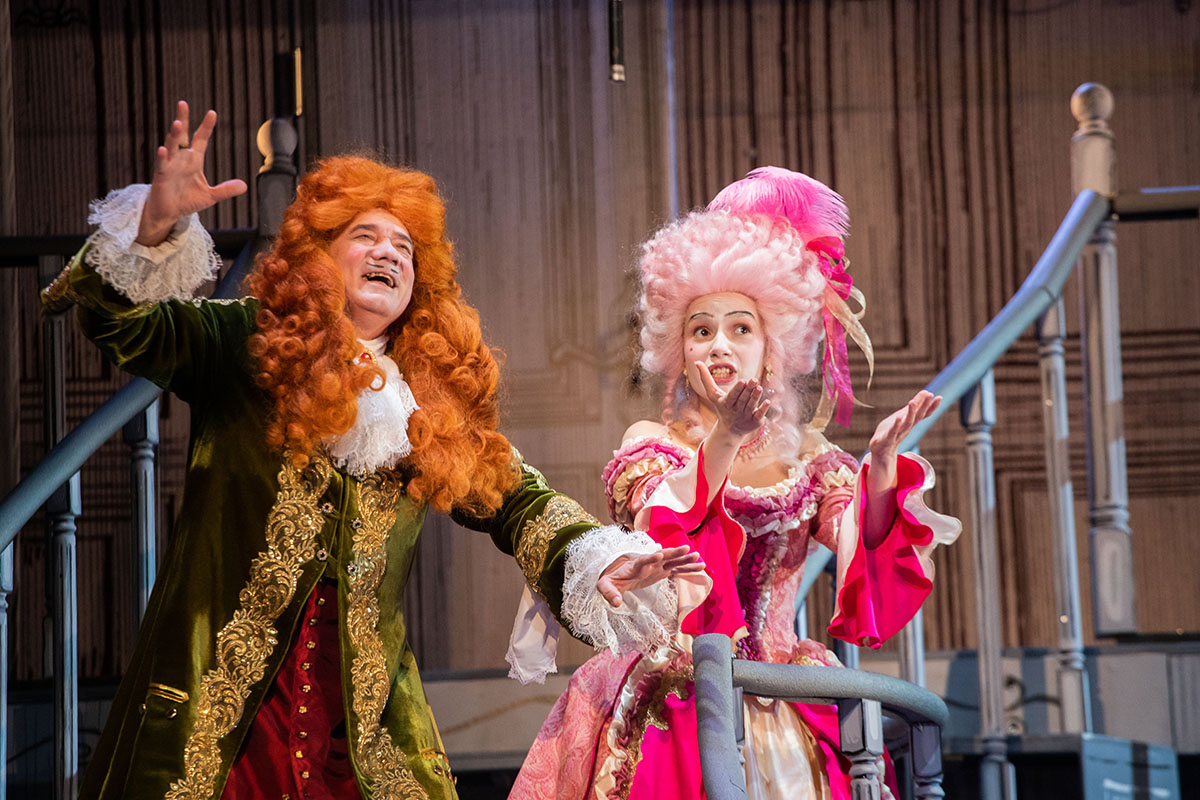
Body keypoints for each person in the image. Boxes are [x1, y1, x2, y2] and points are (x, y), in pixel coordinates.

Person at [41, 102, 704, 800]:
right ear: (319, 256)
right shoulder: (246, 343)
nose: (389, 253)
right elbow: (123, 325)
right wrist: (153, 228)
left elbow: (519, 501)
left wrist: (598, 560)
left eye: (405, 247)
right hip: (218, 733)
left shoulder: (428, 400)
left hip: (359, 744)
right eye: (366, 236)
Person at [508, 167, 962, 800]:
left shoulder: (810, 458)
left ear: (770, 350)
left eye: (740, 328)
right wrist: (724, 435)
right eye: (702, 330)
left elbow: (861, 548)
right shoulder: (654, 445)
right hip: (679, 696)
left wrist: (882, 469)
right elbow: (670, 534)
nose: (719, 344)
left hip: (785, 698)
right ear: (679, 352)